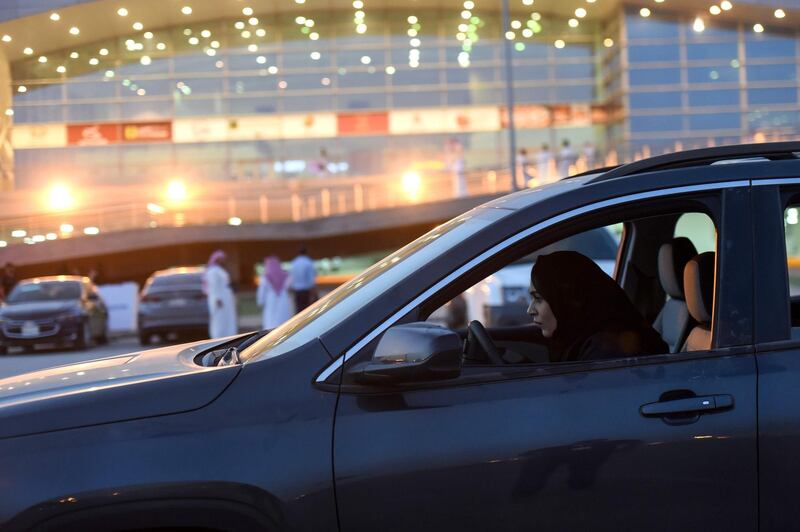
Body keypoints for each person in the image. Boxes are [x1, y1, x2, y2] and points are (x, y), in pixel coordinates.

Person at [528, 251, 667, 363]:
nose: (530, 310)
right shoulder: (583, 340)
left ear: (570, 298)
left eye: (538, 298)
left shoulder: (608, 353)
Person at [203, 250, 237, 339]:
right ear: (217, 259)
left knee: (227, 318)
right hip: (219, 299)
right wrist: (217, 299)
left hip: (225, 297)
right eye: (221, 259)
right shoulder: (212, 271)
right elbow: (213, 286)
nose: (223, 261)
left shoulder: (219, 270)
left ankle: (228, 337)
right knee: (219, 319)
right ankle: (218, 337)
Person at [257, 256, 292, 329]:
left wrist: (260, 301)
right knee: (283, 318)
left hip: (271, 299)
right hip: (283, 298)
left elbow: (262, 290)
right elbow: (289, 286)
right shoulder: (286, 275)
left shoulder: (265, 277)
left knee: (271, 320)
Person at [290, 246, 317, 313]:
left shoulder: (294, 263)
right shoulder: (308, 262)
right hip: (306, 291)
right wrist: (313, 290)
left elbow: (292, 277)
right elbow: (311, 278)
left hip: (297, 291)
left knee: (299, 311)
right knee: (307, 311)